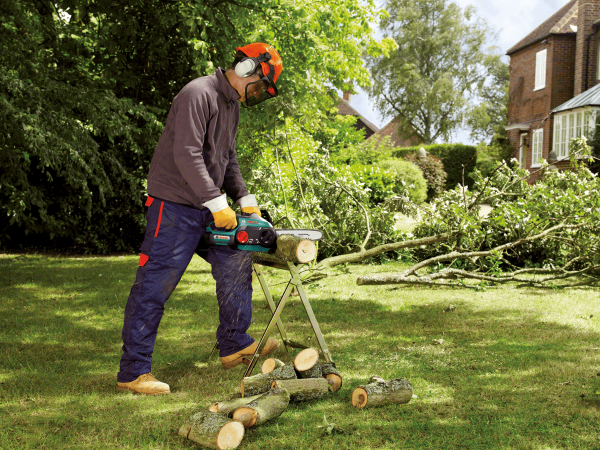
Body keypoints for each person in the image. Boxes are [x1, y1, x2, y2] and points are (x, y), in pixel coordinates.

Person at [116, 43, 283, 395]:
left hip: (206, 207)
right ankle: (133, 372)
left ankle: (235, 343)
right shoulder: (198, 93)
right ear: (247, 68)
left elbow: (228, 158)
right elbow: (186, 153)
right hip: (174, 208)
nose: (257, 94)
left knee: (236, 256)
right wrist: (216, 203)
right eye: (260, 86)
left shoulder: (230, 106)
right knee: (155, 284)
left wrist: (244, 200)